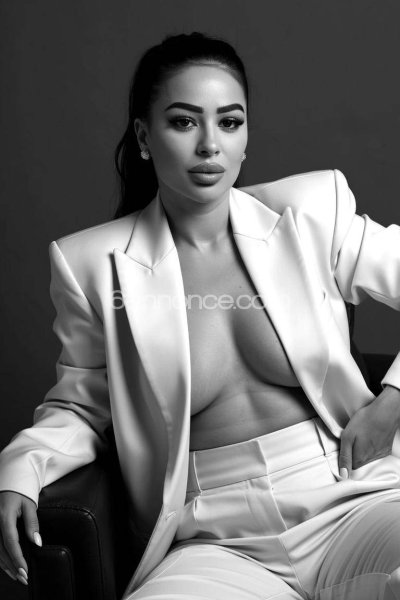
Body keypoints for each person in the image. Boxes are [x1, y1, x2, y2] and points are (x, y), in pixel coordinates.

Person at [0, 31, 400, 600]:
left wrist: (393, 399)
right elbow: (81, 406)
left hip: (353, 497)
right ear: (145, 137)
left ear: (245, 137)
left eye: (229, 122)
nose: (210, 145)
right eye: (184, 122)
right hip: (214, 539)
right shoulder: (91, 264)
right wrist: (19, 471)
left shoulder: (311, 211)